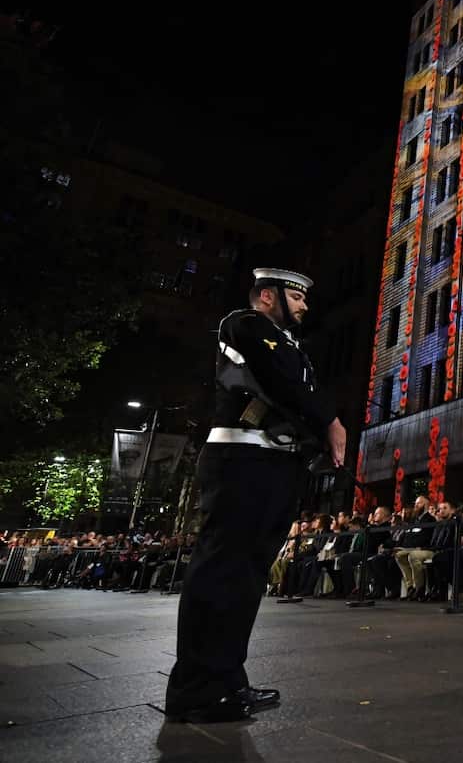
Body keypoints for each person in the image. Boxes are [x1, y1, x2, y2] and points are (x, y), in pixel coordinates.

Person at [166, 267, 346, 724]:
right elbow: (283, 378)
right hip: (243, 460)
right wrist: (330, 419)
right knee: (225, 571)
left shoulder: (288, 344)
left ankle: (226, 680)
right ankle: (198, 689)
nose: (304, 306)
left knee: (245, 577)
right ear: (268, 296)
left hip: (271, 463)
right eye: (296, 296)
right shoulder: (248, 325)